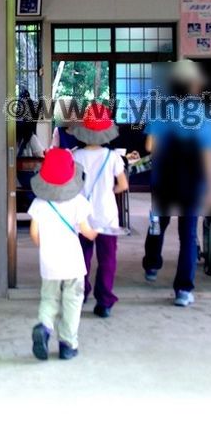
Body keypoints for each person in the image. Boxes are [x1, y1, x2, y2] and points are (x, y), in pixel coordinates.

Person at [141, 59, 211, 307]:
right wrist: (210, 186)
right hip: (192, 183)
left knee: (158, 224)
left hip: (163, 179)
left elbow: (150, 147)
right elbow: (208, 154)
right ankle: (183, 290)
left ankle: (152, 265)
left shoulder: (162, 110)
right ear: (195, 85)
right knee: (188, 235)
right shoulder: (204, 116)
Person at [28, 148, 99, 361]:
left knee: (49, 298)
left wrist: (45, 245)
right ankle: (68, 344)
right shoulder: (78, 202)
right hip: (73, 263)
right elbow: (87, 231)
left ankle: (44, 326)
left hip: (49, 262)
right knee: (72, 301)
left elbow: (34, 233)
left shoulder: (39, 204)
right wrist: (96, 233)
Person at [68, 103, 129, 319]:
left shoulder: (75, 157)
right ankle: (104, 302)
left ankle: (81, 292)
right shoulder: (112, 158)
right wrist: (109, 190)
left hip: (82, 216)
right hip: (107, 215)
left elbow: (70, 186)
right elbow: (123, 185)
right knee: (107, 259)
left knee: (81, 256)